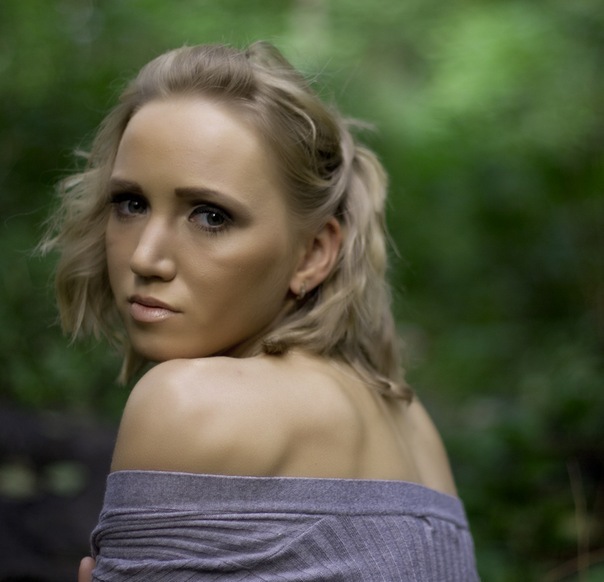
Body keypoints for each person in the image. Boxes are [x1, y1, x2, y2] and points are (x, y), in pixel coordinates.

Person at [42, 41, 479, 581]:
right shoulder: (413, 425)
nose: (145, 257)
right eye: (131, 203)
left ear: (312, 253)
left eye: (210, 216)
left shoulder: (187, 402)